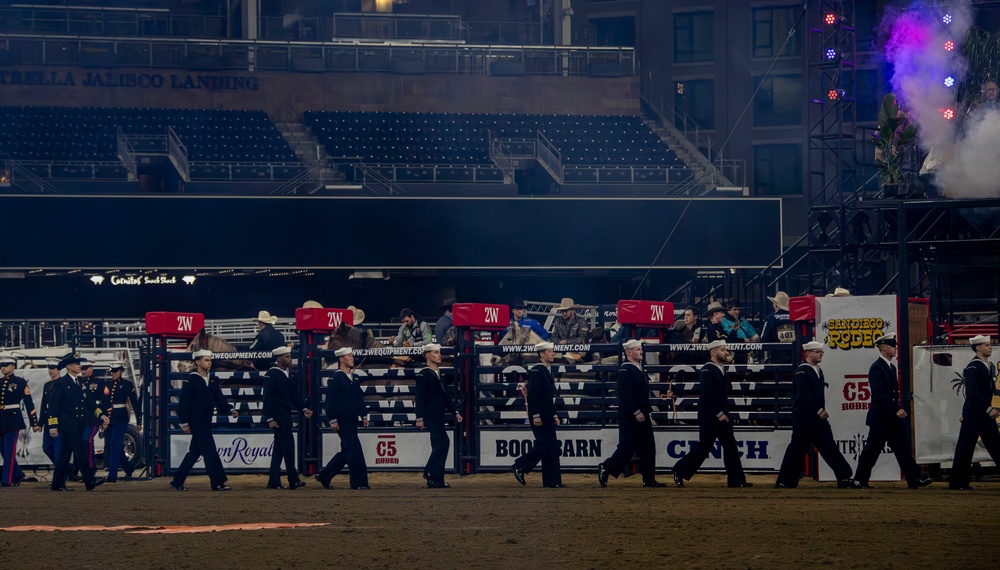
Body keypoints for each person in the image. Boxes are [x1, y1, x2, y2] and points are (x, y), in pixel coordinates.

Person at [774, 342, 859, 489]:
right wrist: (819, 410)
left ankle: (844, 476)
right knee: (798, 449)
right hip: (805, 418)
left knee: (828, 447)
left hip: (814, 417)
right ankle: (785, 480)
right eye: (817, 352)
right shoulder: (803, 371)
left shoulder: (816, 370)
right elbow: (804, 395)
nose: (820, 354)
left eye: (821, 352)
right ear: (808, 353)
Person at [852, 334, 932, 489]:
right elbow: (879, 393)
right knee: (872, 450)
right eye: (892, 346)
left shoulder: (891, 367)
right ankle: (859, 479)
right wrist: (896, 409)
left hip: (890, 418)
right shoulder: (876, 367)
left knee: (903, 449)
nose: (895, 348)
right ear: (883, 348)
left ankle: (914, 479)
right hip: (881, 418)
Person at [671, 340, 751, 488]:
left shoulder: (720, 368)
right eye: (722, 350)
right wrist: (720, 413)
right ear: (713, 352)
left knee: (730, 445)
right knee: (705, 446)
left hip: (719, 412)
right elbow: (708, 394)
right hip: (710, 414)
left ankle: (737, 480)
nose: (726, 352)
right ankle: (680, 470)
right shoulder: (707, 369)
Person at [598, 339, 670, 488]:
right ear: (629, 352)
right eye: (637, 350)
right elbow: (626, 395)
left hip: (639, 412)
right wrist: (637, 411)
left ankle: (649, 479)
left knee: (648, 446)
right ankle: (607, 467)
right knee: (629, 445)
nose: (640, 352)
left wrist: (645, 411)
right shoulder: (626, 370)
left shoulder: (635, 368)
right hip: (630, 414)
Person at [170, 350, 240, 492]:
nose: (210, 363)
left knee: (194, 452)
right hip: (197, 422)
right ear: (198, 362)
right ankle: (218, 482)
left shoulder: (212, 379)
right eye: (207, 360)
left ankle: (177, 481)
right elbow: (184, 403)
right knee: (210, 451)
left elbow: (219, 398)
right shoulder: (191, 379)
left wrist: (229, 409)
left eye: (210, 360)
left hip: (205, 421)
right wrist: (185, 423)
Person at [948, 335, 1000, 490]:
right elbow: (972, 392)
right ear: (978, 348)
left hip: (981, 415)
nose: (990, 347)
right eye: (986, 345)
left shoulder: (986, 366)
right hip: (975, 415)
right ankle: (958, 483)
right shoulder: (973, 367)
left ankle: (958, 482)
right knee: (965, 449)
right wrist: (988, 408)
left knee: (997, 446)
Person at [48, 353, 106, 491]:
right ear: (68, 367)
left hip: (79, 423)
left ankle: (57, 483)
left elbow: (90, 402)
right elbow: (53, 406)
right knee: (79, 449)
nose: (80, 366)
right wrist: (53, 425)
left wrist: (101, 414)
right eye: (77, 364)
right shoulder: (61, 383)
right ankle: (89, 481)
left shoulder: (81, 382)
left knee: (64, 454)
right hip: (67, 423)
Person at [316, 347, 370, 490]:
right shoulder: (336, 378)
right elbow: (330, 401)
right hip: (342, 420)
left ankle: (325, 475)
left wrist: (364, 414)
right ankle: (359, 483)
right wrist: (333, 419)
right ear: (341, 359)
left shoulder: (354, 377)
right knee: (354, 450)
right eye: (349, 356)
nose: (352, 358)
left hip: (352, 419)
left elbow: (360, 398)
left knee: (347, 450)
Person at [511, 342, 563, 488]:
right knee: (545, 446)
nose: (553, 353)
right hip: (540, 414)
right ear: (542, 354)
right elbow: (534, 394)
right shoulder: (538, 370)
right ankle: (520, 465)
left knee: (549, 447)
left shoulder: (543, 370)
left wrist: (553, 415)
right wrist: (535, 415)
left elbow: (545, 396)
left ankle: (552, 482)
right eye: (550, 351)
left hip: (545, 414)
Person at [263, 346, 312, 490]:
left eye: (290, 356)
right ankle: (293, 479)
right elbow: (267, 398)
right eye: (287, 357)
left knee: (279, 448)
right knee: (288, 446)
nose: (290, 359)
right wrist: (270, 418)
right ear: (279, 358)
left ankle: (274, 481)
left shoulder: (287, 373)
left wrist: (303, 409)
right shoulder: (272, 374)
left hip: (284, 415)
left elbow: (293, 395)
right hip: (278, 415)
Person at [415, 343, 463, 488]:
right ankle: (430, 472)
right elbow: (420, 398)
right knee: (442, 443)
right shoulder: (423, 374)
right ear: (427, 355)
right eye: (435, 353)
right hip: (431, 415)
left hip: (438, 414)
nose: (439, 355)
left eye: (439, 352)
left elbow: (446, 395)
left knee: (439, 444)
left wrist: (455, 411)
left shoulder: (439, 373)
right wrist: (419, 418)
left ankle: (436, 478)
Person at [0, 356, 41, 487]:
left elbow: (29, 403)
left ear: (12, 366)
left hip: (13, 419)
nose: (2, 368)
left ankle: (7, 480)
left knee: (9, 451)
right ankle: (18, 474)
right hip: (1, 419)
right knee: (3, 451)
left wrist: (34, 422)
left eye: (5, 365)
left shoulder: (20, 382)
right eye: (1, 365)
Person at [104, 361, 141, 482]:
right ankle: (128, 469)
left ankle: (112, 475)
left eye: (115, 371)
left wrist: (139, 420)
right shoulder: (107, 384)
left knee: (115, 446)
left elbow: (134, 403)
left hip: (120, 417)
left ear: (121, 371)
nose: (113, 374)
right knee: (112, 445)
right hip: (109, 418)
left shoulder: (127, 384)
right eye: (112, 372)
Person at [76, 359, 107, 479]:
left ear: (91, 368)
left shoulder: (98, 382)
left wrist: (104, 416)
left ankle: (90, 468)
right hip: (81, 418)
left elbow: (104, 401)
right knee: (81, 443)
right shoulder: (78, 382)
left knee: (86, 440)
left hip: (94, 417)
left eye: (86, 369)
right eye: (81, 369)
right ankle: (83, 469)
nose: (83, 371)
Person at [39, 357, 64, 466]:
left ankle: (60, 476)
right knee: (46, 447)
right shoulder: (47, 385)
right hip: (49, 421)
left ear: (59, 369)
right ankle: (64, 468)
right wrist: (40, 423)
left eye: (53, 368)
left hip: (60, 420)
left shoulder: (63, 383)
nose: (50, 370)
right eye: (49, 368)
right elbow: (44, 405)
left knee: (58, 448)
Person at [760, 291, 795, 364]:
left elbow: (763, 339)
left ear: (776, 305)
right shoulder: (795, 318)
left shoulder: (770, 319)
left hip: (777, 360)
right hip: (795, 358)